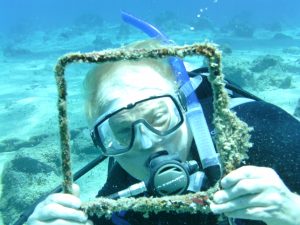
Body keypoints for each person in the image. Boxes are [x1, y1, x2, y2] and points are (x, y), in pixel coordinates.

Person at [27, 16, 300, 225]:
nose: (146, 141)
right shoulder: (122, 182)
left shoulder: (266, 133)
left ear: (186, 106)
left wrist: (293, 210)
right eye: (122, 129)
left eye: (158, 116)